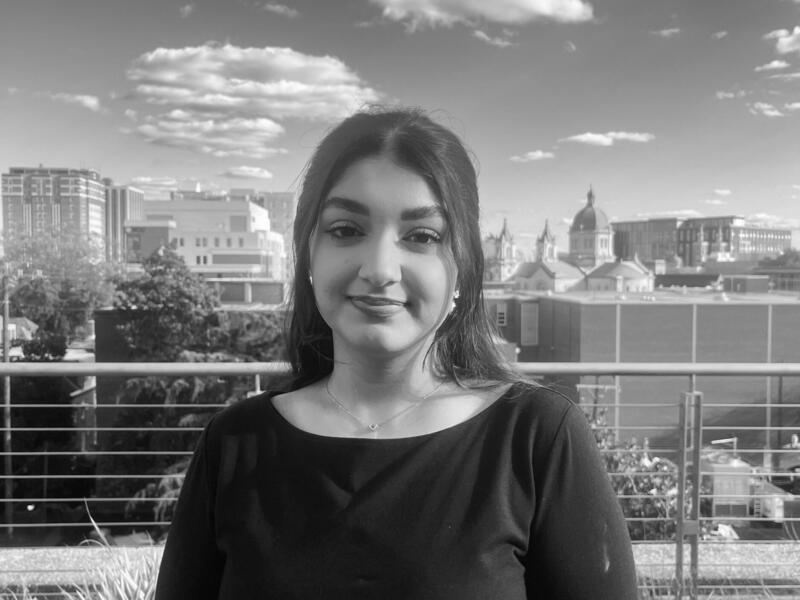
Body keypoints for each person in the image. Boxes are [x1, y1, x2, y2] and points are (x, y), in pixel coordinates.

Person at [155, 107, 639, 599]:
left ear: (464, 269)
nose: (380, 269)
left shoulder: (536, 441)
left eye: (422, 236)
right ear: (307, 253)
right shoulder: (232, 445)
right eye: (346, 229)